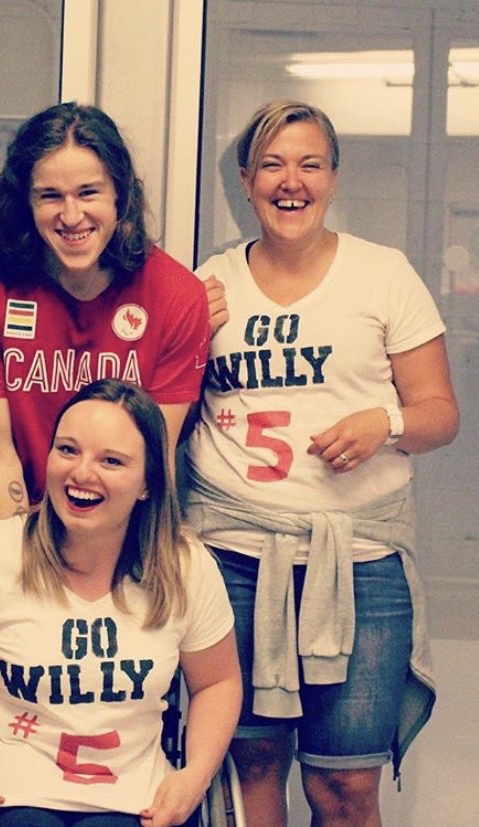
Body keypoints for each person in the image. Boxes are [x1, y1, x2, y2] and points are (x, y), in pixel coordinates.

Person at [184, 99, 460, 827]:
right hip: (232, 557)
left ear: (333, 178)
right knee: (249, 773)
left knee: (345, 788)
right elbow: (163, 414)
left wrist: (386, 422)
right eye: (272, 164)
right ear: (245, 181)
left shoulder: (384, 274)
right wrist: (184, 337)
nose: (290, 180)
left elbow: (441, 414)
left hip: (360, 561)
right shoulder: (208, 284)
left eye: (309, 163)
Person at [0, 378, 241, 827]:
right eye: (68, 450)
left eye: (111, 461)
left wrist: (194, 776)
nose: (81, 473)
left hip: (134, 801)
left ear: (147, 484)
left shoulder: (184, 566)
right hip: (4, 795)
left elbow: (218, 682)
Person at [0, 101, 214, 546]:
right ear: (25, 201)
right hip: (6, 530)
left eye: (88, 192)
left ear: (120, 195)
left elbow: (149, 462)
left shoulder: (177, 295)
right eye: (50, 196)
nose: (71, 215)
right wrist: (23, 567)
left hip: (123, 544)